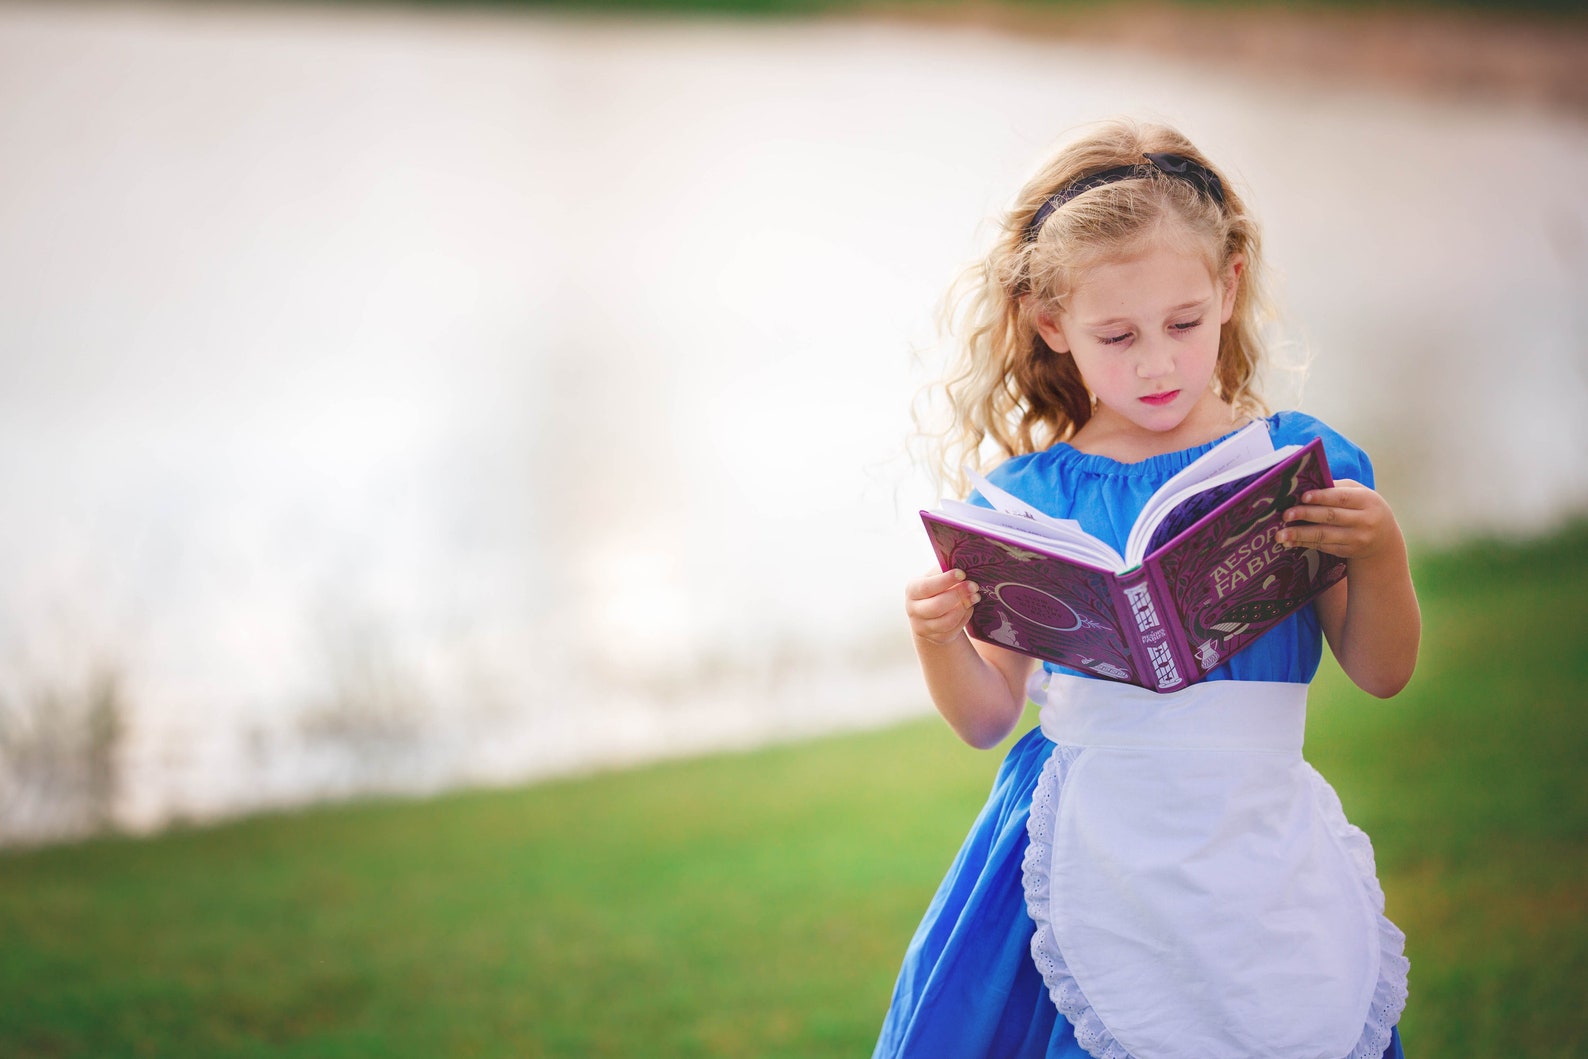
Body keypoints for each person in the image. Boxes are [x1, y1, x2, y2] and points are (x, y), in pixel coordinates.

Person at [876, 119, 1420, 1059]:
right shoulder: (1023, 500)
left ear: (1229, 288)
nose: (1158, 362)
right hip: (1085, 843)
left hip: (1253, 845)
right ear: (1053, 325)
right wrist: (938, 639)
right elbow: (983, 718)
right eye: (1116, 336)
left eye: (1184, 324)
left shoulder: (1297, 464)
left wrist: (1382, 553)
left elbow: (1381, 671)